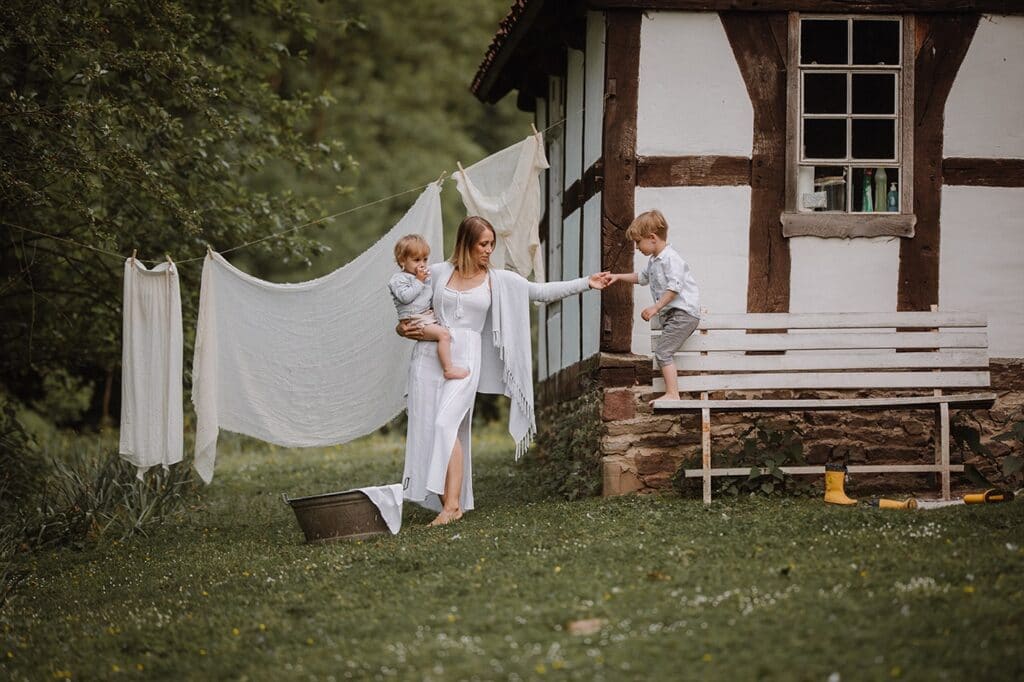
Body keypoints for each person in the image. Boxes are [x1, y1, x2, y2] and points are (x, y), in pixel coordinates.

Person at [397, 216, 612, 526]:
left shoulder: (497, 280)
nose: (489, 250)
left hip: (467, 358)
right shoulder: (439, 272)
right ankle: (449, 502)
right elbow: (411, 309)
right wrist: (402, 329)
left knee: (446, 424)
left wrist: (586, 283)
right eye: (483, 244)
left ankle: (452, 506)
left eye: (491, 244)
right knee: (434, 429)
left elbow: (540, 292)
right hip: (429, 356)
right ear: (466, 244)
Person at [607, 209, 700, 403]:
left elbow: (675, 287)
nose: (637, 247)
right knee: (663, 352)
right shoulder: (654, 261)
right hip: (675, 315)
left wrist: (655, 307)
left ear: (652, 238)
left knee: (662, 352)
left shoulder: (670, 259)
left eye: (638, 241)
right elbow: (641, 278)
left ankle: (673, 394)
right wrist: (617, 276)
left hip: (683, 314)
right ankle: (672, 393)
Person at [388, 234, 469, 380]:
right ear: (402, 261)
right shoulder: (398, 279)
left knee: (447, 332)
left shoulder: (426, 275)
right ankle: (448, 369)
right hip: (415, 319)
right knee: (444, 335)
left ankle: (446, 363)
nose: (422, 264)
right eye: (416, 260)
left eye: (425, 259)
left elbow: (429, 297)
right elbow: (405, 298)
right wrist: (419, 281)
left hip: (426, 316)